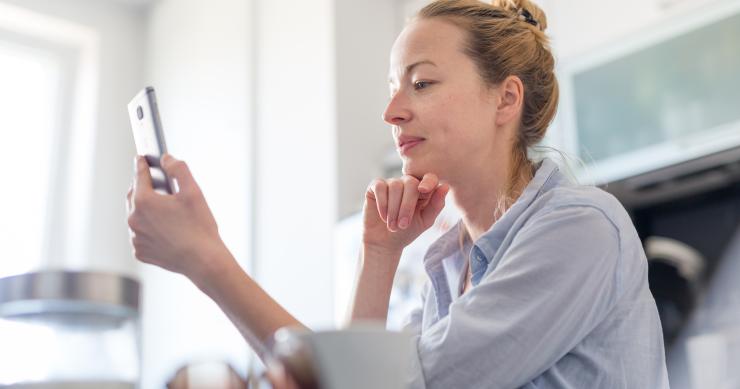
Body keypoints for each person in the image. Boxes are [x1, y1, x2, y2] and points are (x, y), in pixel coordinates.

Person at [126, 0, 670, 387]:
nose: (392, 112)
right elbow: (361, 379)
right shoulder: (451, 265)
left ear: (505, 99)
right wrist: (379, 255)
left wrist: (207, 261)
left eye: (422, 83)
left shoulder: (579, 228)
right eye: (393, 89)